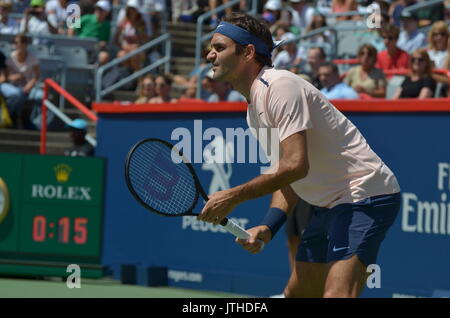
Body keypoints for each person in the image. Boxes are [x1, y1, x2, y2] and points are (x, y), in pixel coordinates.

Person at [198, 12, 401, 298]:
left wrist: (233, 195)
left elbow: (296, 166)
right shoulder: (253, 108)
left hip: (364, 194)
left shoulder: (280, 86)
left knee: (337, 294)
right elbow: (287, 176)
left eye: (219, 47)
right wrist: (268, 227)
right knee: (297, 295)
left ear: (248, 52)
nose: (210, 55)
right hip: (328, 205)